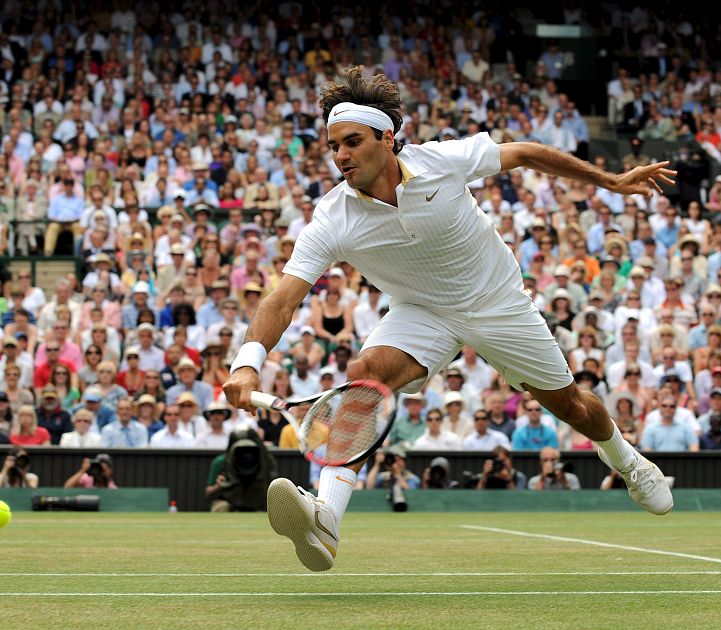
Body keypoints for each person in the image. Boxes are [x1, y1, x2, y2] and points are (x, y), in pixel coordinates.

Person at [223, 66, 676, 572]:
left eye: (352, 142)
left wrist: (609, 180)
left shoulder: (442, 160)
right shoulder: (332, 218)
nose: (341, 156)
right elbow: (282, 299)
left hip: (498, 302)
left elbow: (524, 152)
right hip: (423, 312)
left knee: (573, 407)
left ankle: (627, 461)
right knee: (363, 376)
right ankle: (326, 519)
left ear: (387, 138)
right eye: (333, 147)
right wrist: (247, 361)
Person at [203, 427, 277, 512]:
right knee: (221, 507)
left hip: (257, 502)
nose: (245, 456)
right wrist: (219, 485)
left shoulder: (265, 462)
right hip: (228, 501)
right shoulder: (221, 461)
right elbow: (208, 492)